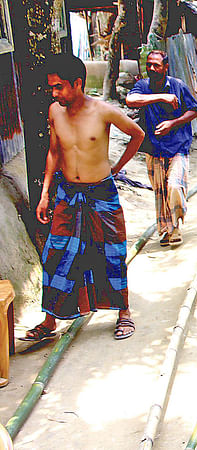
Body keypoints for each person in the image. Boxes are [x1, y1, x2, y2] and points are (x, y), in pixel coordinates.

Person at [23, 54, 144, 342]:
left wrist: (116, 168)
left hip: (101, 191)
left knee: (112, 252)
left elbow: (137, 134)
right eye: (52, 87)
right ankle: (50, 320)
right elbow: (54, 152)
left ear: (77, 83)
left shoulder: (103, 111)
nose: (55, 93)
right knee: (56, 253)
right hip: (67, 193)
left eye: (59, 87)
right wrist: (44, 195)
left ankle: (123, 311)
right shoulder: (55, 111)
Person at [126, 50, 197, 248]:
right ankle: (167, 230)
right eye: (149, 64)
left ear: (165, 67)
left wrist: (173, 123)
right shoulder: (142, 86)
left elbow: (194, 110)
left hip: (177, 146)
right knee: (159, 192)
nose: (151, 68)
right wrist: (161, 98)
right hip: (154, 148)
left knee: (174, 186)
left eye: (156, 65)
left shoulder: (178, 85)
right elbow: (130, 101)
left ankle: (176, 225)